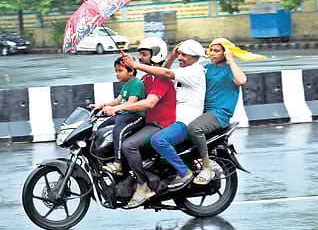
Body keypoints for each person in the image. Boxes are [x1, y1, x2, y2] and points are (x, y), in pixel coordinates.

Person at [104, 37, 176, 208]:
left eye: (144, 55)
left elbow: (149, 103)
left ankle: (143, 186)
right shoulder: (146, 79)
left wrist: (119, 109)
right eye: (140, 55)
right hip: (149, 122)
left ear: (156, 55)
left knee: (128, 145)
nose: (140, 59)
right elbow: (126, 99)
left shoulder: (161, 79)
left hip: (161, 124)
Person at [188, 37, 255, 185]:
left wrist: (231, 60)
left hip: (219, 114)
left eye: (216, 51)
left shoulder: (230, 69)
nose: (212, 53)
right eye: (211, 50)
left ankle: (207, 167)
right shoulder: (208, 68)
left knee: (195, 128)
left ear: (225, 53)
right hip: (203, 111)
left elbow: (241, 81)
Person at [142, 39, 207, 191]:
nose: (180, 58)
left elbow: (164, 73)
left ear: (195, 58)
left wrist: (136, 65)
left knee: (159, 140)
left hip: (186, 120)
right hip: (174, 119)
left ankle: (185, 172)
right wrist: (171, 58)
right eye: (179, 54)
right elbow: (163, 77)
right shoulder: (185, 70)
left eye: (184, 55)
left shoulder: (194, 71)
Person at [90, 57, 145, 175]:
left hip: (135, 116)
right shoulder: (126, 85)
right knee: (101, 128)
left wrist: (114, 109)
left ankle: (118, 163)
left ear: (131, 71)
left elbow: (131, 103)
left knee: (118, 130)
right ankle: (102, 158)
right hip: (123, 114)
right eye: (116, 71)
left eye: (120, 71)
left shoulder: (136, 84)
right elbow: (118, 100)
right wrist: (101, 105)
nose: (117, 74)